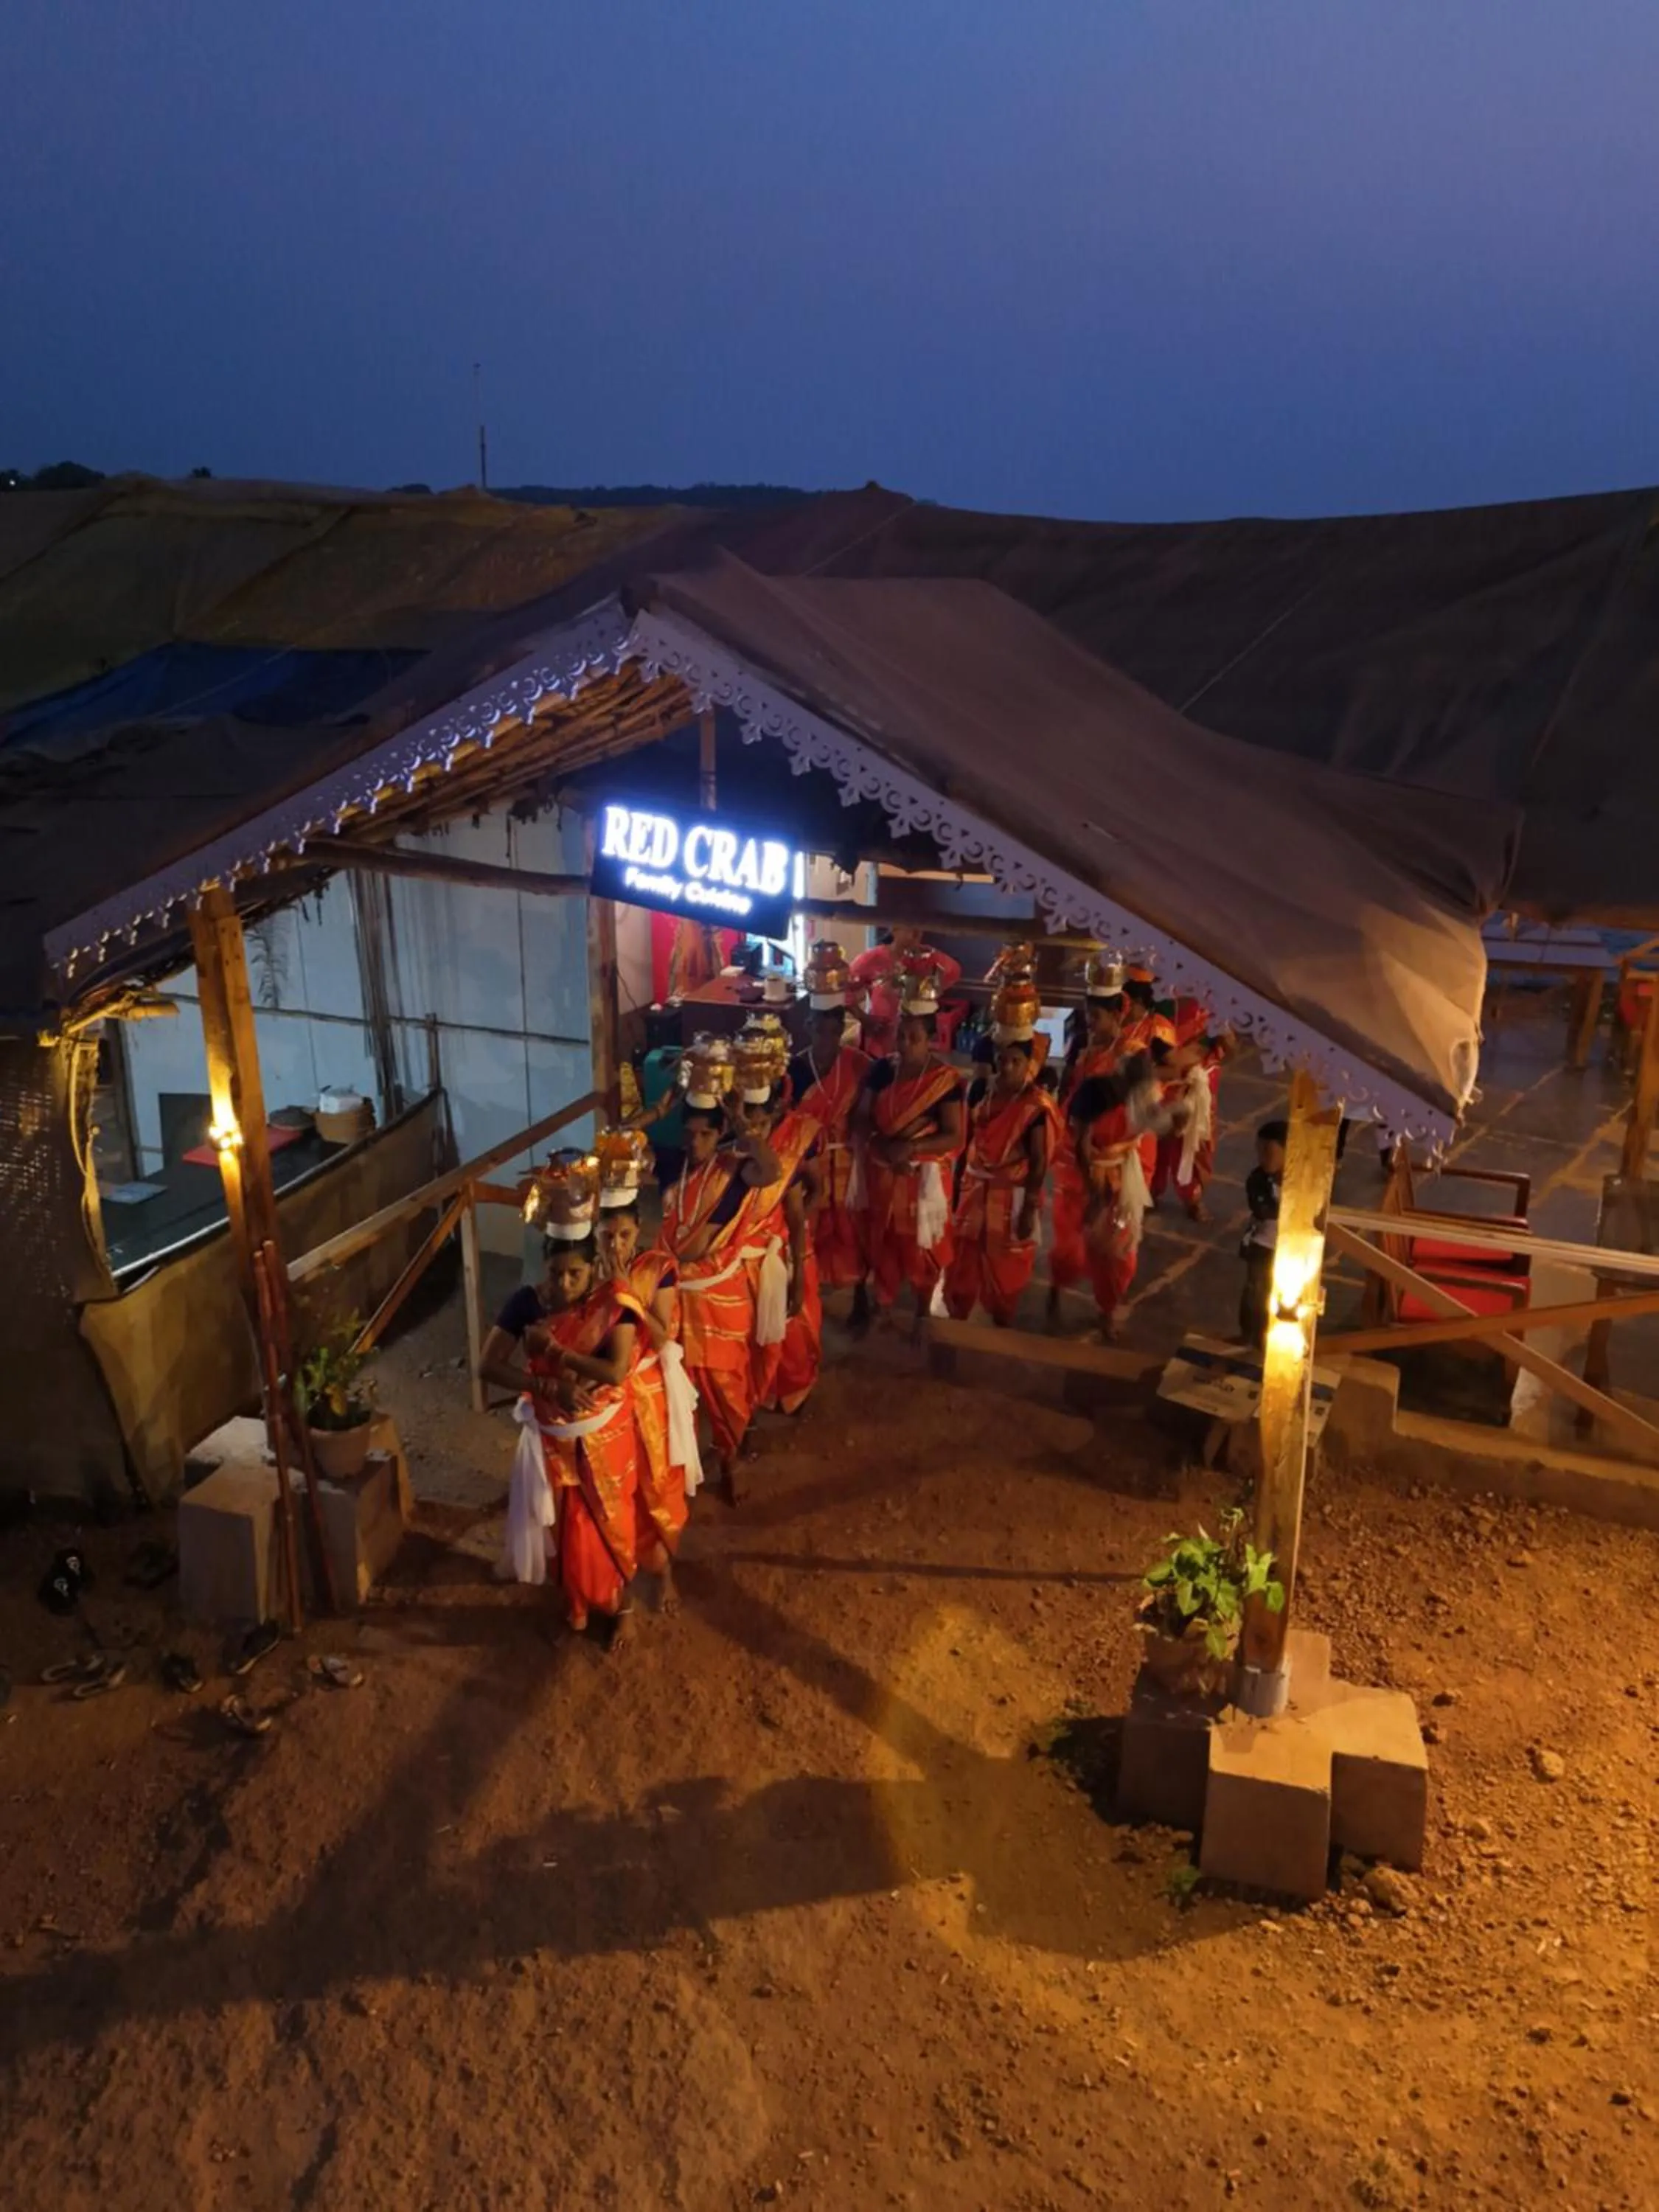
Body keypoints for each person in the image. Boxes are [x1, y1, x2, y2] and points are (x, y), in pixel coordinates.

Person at [480, 1168, 645, 1640]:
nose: (565, 1284)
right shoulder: (526, 1303)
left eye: (576, 1273)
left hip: (604, 1434)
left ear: (593, 1268)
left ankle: (618, 1602)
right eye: (556, 1273)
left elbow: (615, 1371)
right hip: (553, 1435)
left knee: (606, 1519)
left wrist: (555, 1353)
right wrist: (551, 1388)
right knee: (565, 1525)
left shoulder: (615, 1303)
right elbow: (488, 1367)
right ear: (543, 1266)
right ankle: (575, 1599)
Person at [657, 1042, 782, 1498]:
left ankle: (729, 1462)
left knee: (727, 1392)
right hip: (672, 1300)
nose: (695, 1143)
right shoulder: (672, 1165)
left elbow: (771, 1169)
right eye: (688, 1134)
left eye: (705, 1135)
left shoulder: (735, 1170)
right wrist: (659, 1107)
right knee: (677, 1390)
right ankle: (682, 1474)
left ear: (719, 1134)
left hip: (720, 1302)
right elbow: (617, 1140)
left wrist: (743, 1125)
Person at [595, 1189, 699, 1601]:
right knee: (613, 1492)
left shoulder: (658, 1268)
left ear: (639, 1228)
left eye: (624, 1234)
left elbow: (661, 1335)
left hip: (648, 1394)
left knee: (655, 1485)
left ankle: (662, 1572)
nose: (616, 1245)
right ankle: (617, 1590)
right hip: (605, 1394)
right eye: (607, 1236)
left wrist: (624, 1290)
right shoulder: (584, 1272)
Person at [857, 967, 964, 1328]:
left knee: (922, 1247)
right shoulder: (882, 1071)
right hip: (885, 1171)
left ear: (931, 1038)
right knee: (883, 1240)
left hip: (922, 1178)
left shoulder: (945, 1082)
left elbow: (953, 1135)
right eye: (900, 1036)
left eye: (913, 1038)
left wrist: (911, 1150)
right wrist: (883, 1145)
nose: (903, 1045)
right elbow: (862, 1117)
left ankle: (922, 1310)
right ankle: (883, 1305)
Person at [944, 1005, 1059, 1326]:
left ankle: (1002, 1320)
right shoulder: (981, 1090)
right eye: (1002, 1060)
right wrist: (956, 1187)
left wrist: (1029, 1209)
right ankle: (956, 1318)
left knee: (1006, 1267)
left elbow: (1039, 1163)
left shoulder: (1034, 1107)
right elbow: (967, 1143)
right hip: (974, 1188)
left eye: (1016, 1062)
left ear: (1028, 1064)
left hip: (1012, 1196)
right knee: (962, 1262)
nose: (1007, 1068)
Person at [1063, 1049, 1185, 1340]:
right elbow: (1082, 1148)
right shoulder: (1095, 1095)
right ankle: (1105, 1304)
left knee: (1123, 1252)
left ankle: (1110, 1306)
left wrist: (1180, 1117)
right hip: (1094, 1178)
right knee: (1096, 1248)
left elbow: (1162, 1127)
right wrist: (1095, 1194)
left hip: (1126, 1181)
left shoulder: (1144, 1098)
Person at [788, 941, 873, 1312]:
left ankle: (859, 1297)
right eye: (819, 1030)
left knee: (854, 1230)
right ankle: (812, 1298)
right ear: (808, 1026)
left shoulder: (860, 1065)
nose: (826, 1038)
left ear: (842, 1028)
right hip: (810, 1165)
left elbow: (869, 1116)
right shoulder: (793, 1070)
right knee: (812, 1231)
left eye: (833, 1030)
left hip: (850, 1164)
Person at [737, 1076, 826, 1415]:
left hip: (783, 1249)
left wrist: (796, 1257)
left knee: (795, 1329)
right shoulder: (730, 1153)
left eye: (761, 1123)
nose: (756, 1131)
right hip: (742, 1259)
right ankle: (762, 1392)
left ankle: (794, 1390)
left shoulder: (789, 1150)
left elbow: (812, 1194)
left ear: (774, 1115)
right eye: (749, 1123)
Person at [1048, 953, 1126, 1326]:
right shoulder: (1080, 1046)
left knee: (1114, 1248)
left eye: (1097, 1017)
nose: (1091, 1025)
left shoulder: (1130, 1058)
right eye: (1087, 1015)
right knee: (1067, 1239)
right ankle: (1057, 1287)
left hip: (1113, 1164)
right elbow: (1067, 1092)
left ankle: (1107, 1309)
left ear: (1117, 1015)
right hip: (1074, 1160)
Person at [1150, 1028, 1231, 1222]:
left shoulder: (1215, 1011)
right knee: (1156, 1146)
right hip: (1167, 1091)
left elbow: (1229, 1048)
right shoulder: (1160, 1018)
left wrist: (1222, 1037)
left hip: (1201, 1088)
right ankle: (1149, 1193)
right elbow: (1167, 1058)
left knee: (1197, 1152)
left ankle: (1193, 1198)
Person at [849, 925, 962, 1060]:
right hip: (881, 1044)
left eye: (919, 928)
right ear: (894, 929)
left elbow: (954, 971)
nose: (916, 933)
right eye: (909, 928)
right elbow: (844, 989)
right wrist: (863, 1018)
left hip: (915, 1046)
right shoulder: (873, 959)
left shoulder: (929, 957)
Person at [1239, 1119, 1287, 1346]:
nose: (1262, 1158)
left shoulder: (1301, 1179)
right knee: (1256, 1291)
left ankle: (1272, 1337)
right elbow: (1264, 1209)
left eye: (1268, 1152)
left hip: (1290, 1248)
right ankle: (1250, 1335)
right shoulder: (1257, 1179)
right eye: (1260, 1151)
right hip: (1263, 1243)